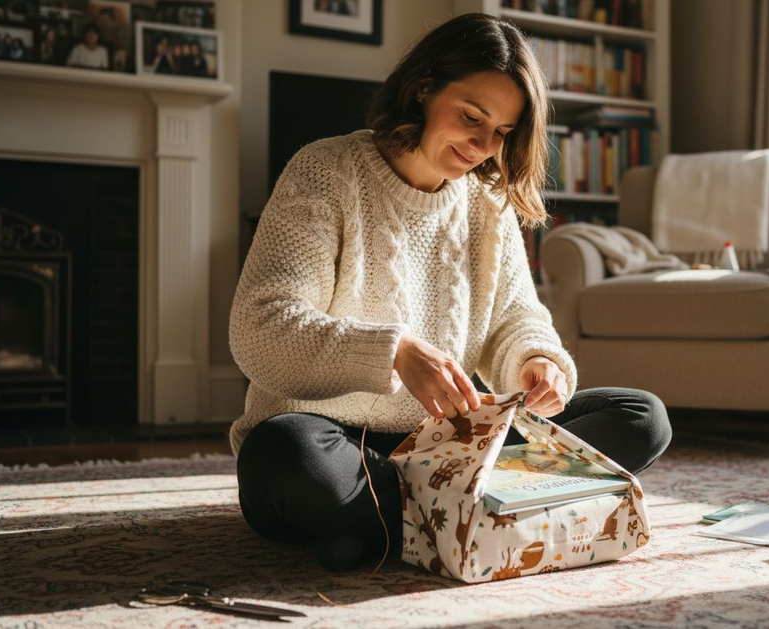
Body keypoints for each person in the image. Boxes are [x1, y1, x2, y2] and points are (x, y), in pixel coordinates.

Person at [230, 12, 672, 573]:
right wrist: (393, 352)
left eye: (503, 133)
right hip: (335, 443)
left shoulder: (489, 205)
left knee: (641, 416)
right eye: (471, 117)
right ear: (423, 87)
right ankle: (495, 519)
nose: (483, 147)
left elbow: (516, 317)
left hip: (453, 449)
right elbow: (261, 328)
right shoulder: (324, 171)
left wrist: (537, 362)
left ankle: (392, 527)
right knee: (282, 455)